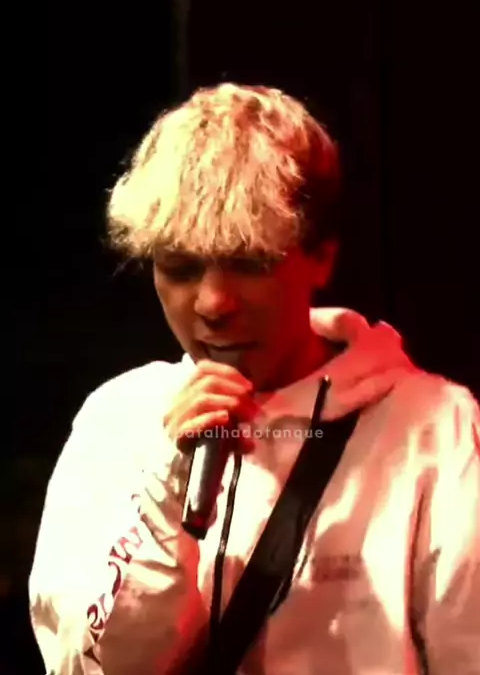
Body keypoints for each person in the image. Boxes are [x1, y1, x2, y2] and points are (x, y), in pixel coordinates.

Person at [29, 83, 480, 674]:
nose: (213, 303)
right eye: (180, 268)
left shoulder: (436, 428)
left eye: (249, 263)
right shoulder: (116, 419)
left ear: (321, 256)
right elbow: (90, 668)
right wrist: (167, 491)